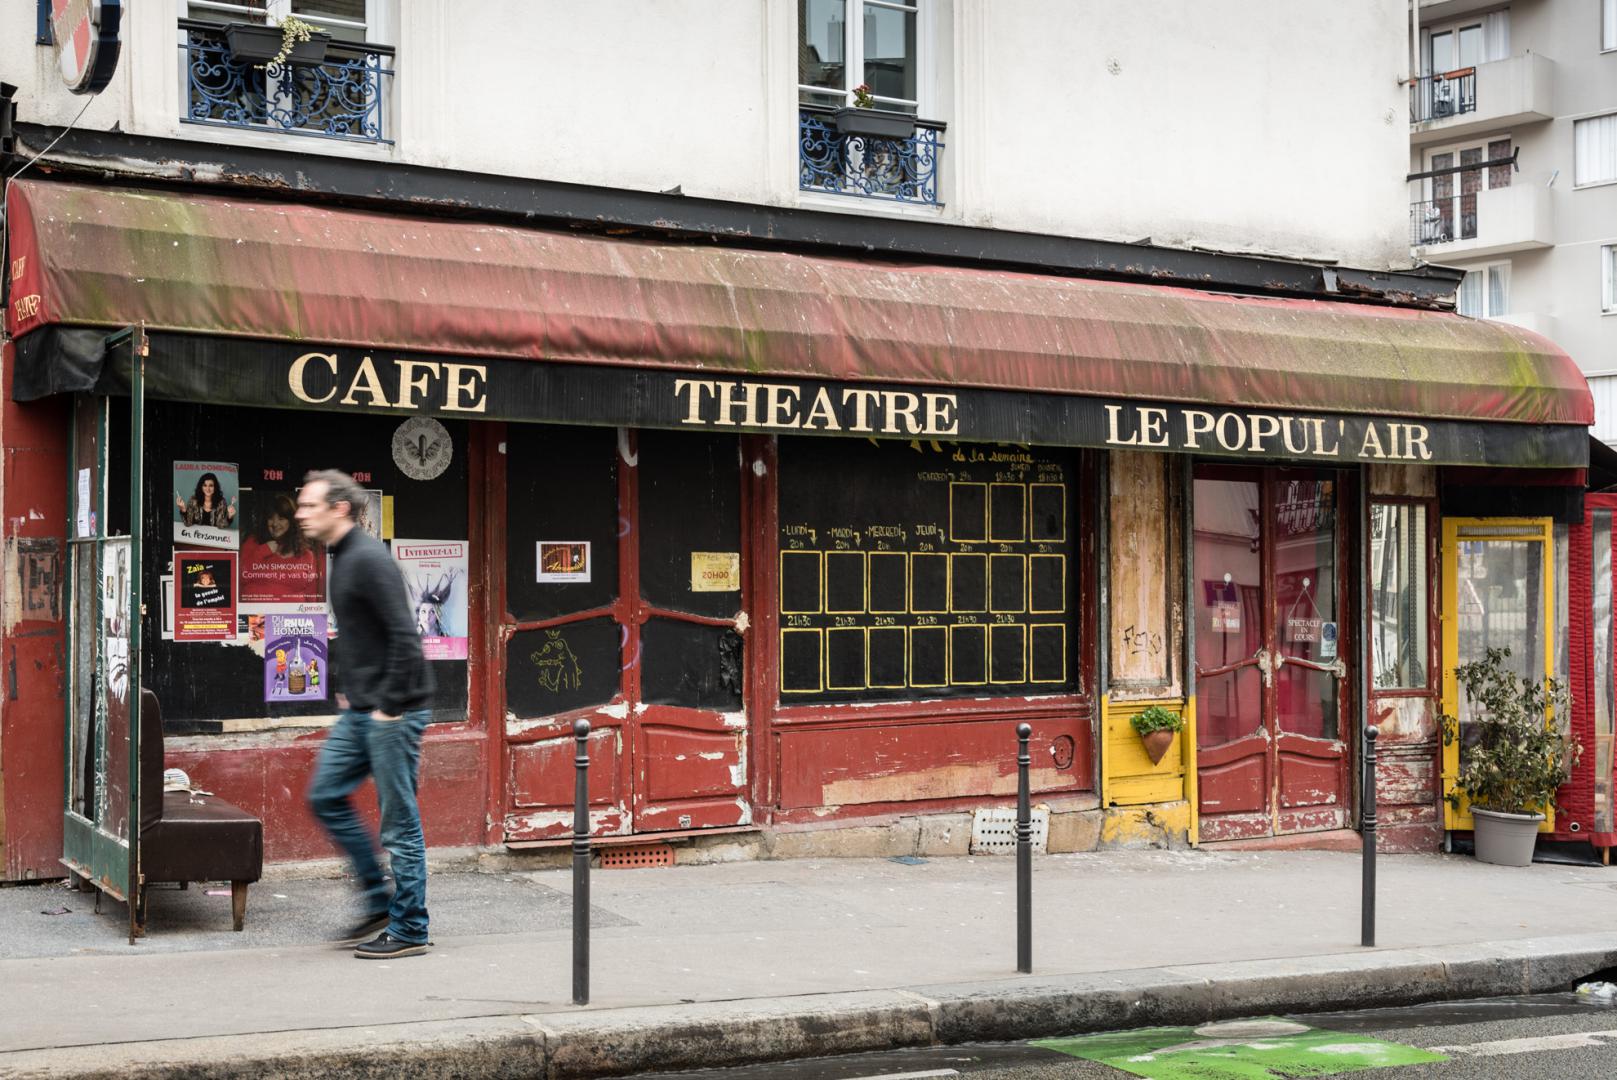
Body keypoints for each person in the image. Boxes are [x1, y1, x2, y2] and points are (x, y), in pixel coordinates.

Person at [297, 469, 435, 959]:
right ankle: (379, 900)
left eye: (309, 505)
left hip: (392, 713)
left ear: (340, 508)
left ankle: (410, 929)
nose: (300, 513)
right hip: (362, 708)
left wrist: (390, 706)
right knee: (326, 795)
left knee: (399, 823)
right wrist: (351, 689)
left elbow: (403, 635)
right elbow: (362, 635)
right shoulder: (342, 557)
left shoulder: (369, 559)